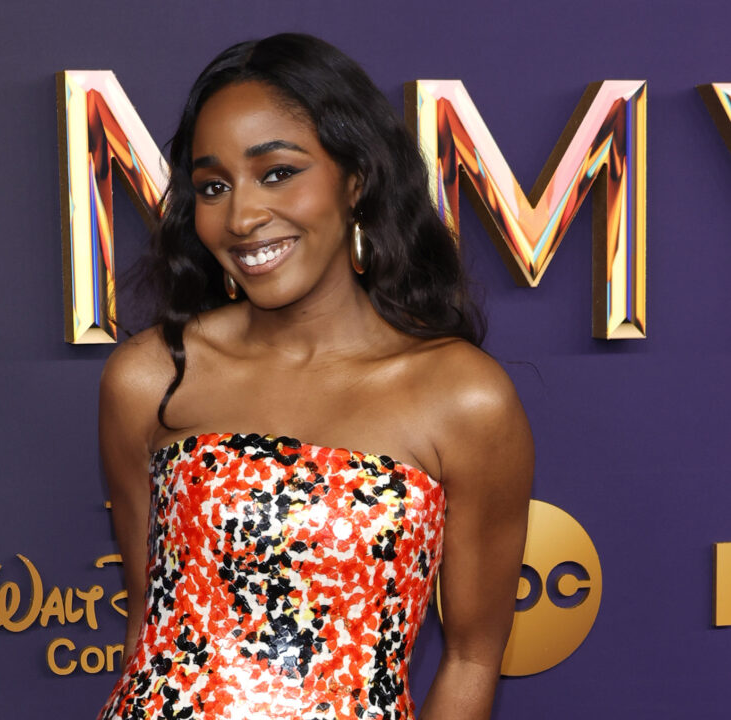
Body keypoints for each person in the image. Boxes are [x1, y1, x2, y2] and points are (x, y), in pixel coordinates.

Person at [97, 33, 533, 720]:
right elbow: (146, 632)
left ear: (355, 179)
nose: (242, 217)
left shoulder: (463, 398)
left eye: (277, 173)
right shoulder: (150, 377)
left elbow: (473, 659)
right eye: (214, 186)